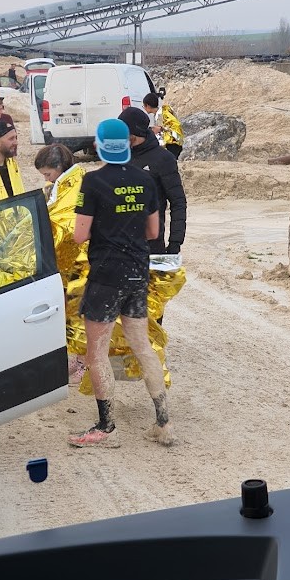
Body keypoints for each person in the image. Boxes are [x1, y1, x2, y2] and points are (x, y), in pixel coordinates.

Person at [68, 118, 174, 449]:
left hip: (105, 275)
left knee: (96, 350)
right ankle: (163, 423)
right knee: (141, 344)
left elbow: (80, 234)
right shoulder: (145, 180)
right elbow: (154, 232)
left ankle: (106, 428)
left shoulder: (93, 181)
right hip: (137, 271)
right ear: (127, 144)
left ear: (100, 146)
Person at [34, 143, 87, 385]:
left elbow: (67, 223)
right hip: (68, 260)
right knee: (71, 311)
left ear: (59, 167)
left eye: (47, 173)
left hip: (79, 260)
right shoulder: (61, 184)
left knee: (79, 312)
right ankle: (77, 360)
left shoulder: (74, 185)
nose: (46, 179)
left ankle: (83, 363)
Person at [118, 107, 186, 256]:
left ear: (133, 135)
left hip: (151, 247)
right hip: (120, 246)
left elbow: (178, 202)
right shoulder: (119, 157)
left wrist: (175, 243)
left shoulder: (163, 159)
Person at [143, 93, 184, 160]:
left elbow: (170, 127)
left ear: (147, 106)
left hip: (171, 144)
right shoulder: (162, 111)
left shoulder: (160, 115)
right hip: (174, 143)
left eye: (144, 106)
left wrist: (161, 129)